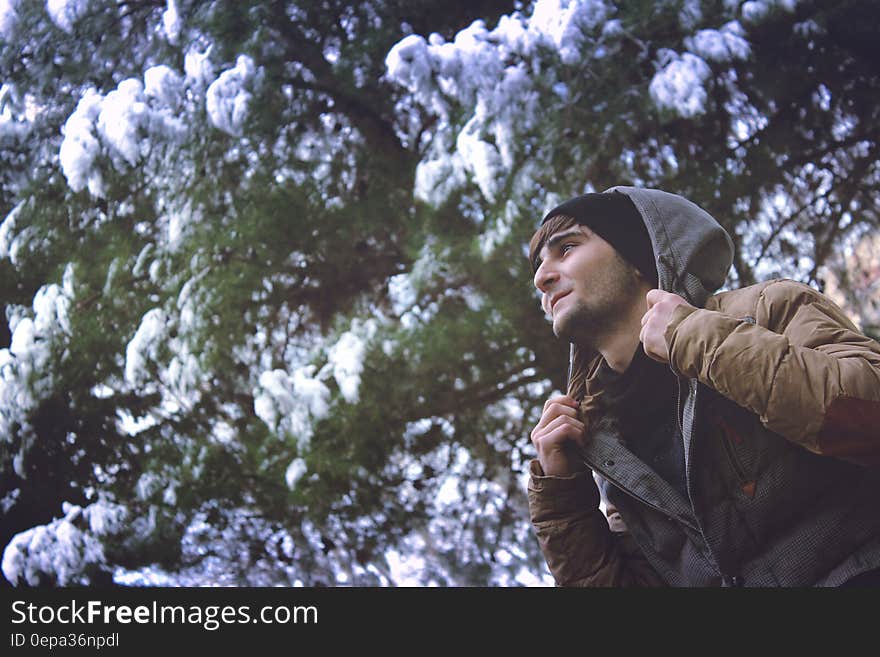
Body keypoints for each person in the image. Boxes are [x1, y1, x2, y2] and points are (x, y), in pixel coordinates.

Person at [526, 186, 880, 586]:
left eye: (567, 248)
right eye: (539, 265)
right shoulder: (603, 445)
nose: (542, 277)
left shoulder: (767, 310)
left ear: (639, 256)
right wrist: (563, 499)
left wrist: (693, 337)